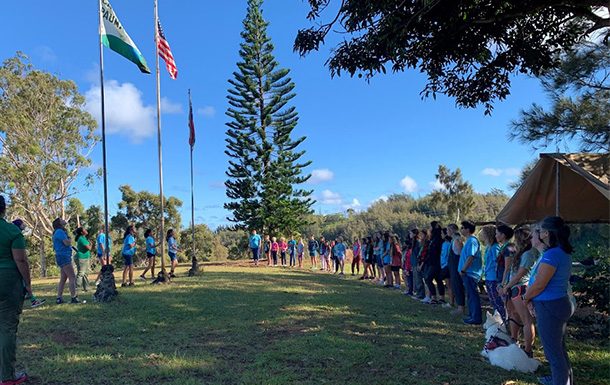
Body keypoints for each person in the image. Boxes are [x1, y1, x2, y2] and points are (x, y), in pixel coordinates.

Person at [523, 217, 574, 385]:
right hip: (556, 304)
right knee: (559, 349)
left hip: (550, 306)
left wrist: (526, 297)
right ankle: (564, 380)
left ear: (546, 233)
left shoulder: (552, 254)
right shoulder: (560, 251)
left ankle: (560, 382)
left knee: (553, 352)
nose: (536, 233)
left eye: (539, 230)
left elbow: (539, 284)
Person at [0, 196, 31, 384]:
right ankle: (7, 377)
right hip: (8, 282)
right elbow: (21, 260)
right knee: (7, 328)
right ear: (4, 209)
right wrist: (28, 285)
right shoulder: (12, 231)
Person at [500, 226, 538, 358]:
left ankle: (528, 350)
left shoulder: (529, 253)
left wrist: (507, 286)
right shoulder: (521, 253)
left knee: (526, 320)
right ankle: (514, 340)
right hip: (514, 288)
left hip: (520, 288)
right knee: (513, 315)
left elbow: (520, 275)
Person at [12, 219, 44, 308]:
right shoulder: (16, 235)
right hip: (17, 264)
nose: (24, 225)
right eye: (23, 224)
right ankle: (32, 300)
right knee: (25, 282)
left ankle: (32, 299)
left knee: (23, 283)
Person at [458, 220, 483, 325]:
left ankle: (476, 318)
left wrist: (463, 269)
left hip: (470, 273)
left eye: (462, 228)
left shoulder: (472, 241)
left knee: (473, 295)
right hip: (467, 273)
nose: (461, 230)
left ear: (468, 229)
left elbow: (470, 257)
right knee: (470, 295)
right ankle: (472, 315)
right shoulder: (468, 241)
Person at [480, 225, 505, 320]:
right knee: (493, 301)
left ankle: (503, 321)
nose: (481, 235)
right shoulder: (488, 247)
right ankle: (498, 320)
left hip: (494, 279)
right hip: (488, 277)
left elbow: (498, 264)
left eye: (483, 233)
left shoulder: (495, 248)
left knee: (498, 302)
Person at [52, 218, 79, 304]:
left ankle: (59, 298)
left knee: (63, 278)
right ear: (59, 223)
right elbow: (67, 243)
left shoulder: (58, 232)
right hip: (64, 256)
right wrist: (70, 240)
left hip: (61, 256)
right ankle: (73, 297)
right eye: (61, 219)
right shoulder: (60, 232)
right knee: (72, 277)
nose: (64, 220)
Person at [423, 221, 445, 304]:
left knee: (428, 278)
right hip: (432, 261)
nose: (429, 229)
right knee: (437, 279)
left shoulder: (438, 239)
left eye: (430, 227)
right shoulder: (432, 239)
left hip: (436, 262)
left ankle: (434, 297)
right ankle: (440, 298)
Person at [447, 224, 465, 315]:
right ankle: (459, 306)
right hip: (453, 266)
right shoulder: (453, 240)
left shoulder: (457, 240)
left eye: (448, 230)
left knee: (458, 286)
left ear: (451, 230)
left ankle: (461, 307)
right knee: (455, 285)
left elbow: (460, 254)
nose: (447, 232)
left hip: (457, 266)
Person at [73, 227, 91, 292]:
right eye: (84, 230)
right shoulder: (81, 239)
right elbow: (88, 248)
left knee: (85, 273)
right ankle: (77, 288)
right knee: (81, 273)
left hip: (85, 257)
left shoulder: (84, 238)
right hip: (81, 258)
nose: (86, 230)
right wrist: (91, 245)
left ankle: (86, 287)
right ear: (81, 232)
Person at [439, 228, 452, 308]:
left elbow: (448, 255)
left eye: (442, 233)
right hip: (443, 265)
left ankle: (451, 302)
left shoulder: (449, 244)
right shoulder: (444, 243)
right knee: (448, 284)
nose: (441, 235)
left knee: (449, 285)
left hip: (447, 266)